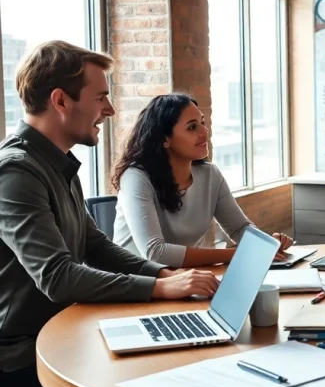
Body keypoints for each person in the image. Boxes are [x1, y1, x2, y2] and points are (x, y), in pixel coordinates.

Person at [0, 41, 219, 387]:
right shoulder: (13, 173)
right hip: (9, 364)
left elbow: (96, 247)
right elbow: (58, 277)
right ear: (60, 100)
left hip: (57, 338)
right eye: (100, 97)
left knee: (172, 365)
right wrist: (158, 287)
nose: (111, 110)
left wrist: (163, 276)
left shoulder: (56, 164)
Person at [111, 93, 293, 267]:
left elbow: (238, 228)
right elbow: (156, 252)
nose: (204, 132)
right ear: (164, 139)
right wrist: (239, 253)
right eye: (192, 127)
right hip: (133, 284)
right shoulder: (136, 177)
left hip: (181, 279)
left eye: (202, 123)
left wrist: (267, 244)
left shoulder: (209, 174)